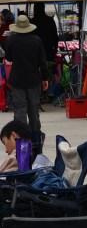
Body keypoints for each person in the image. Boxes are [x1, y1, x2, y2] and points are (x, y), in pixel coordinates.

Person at [3, 15, 49, 146]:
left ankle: (21, 138)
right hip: (33, 79)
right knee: (33, 108)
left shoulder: (11, 40)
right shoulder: (37, 40)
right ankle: (36, 137)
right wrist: (45, 78)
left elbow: (9, 58)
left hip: (17, 79)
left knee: (20, 109)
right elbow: (42, 62)